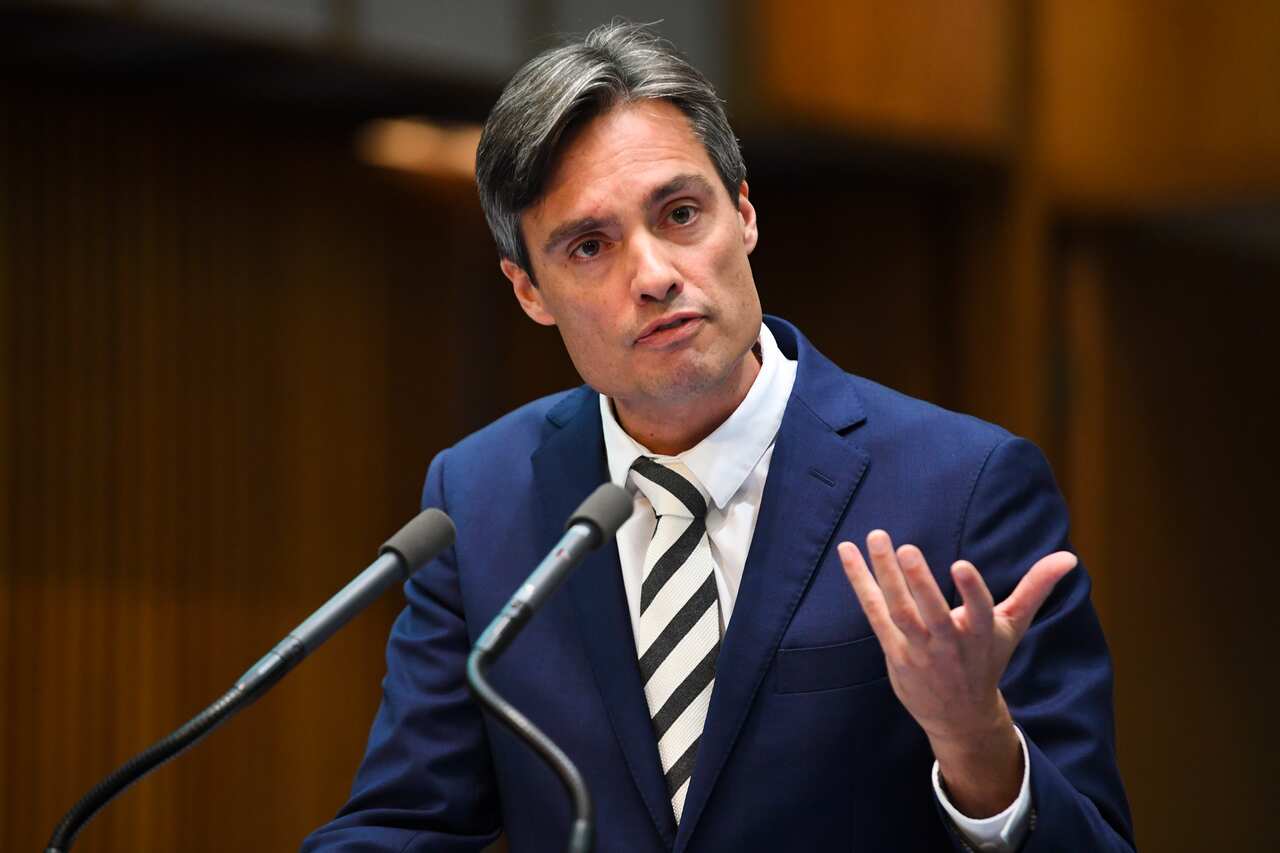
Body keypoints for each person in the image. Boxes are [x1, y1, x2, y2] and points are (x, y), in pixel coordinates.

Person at [304, 22, 1134, 852]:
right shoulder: (479, 499)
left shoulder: (964, 486)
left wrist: (977, 744)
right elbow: (405, 821)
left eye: (680, 213)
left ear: (742, 214)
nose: (656, 274)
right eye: (590, 246)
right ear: (529, 291)